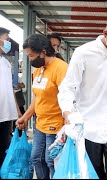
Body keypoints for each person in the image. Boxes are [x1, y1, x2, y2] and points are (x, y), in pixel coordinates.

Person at [57, 13, 107, 179]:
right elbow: (68, 86)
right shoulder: (83, 53)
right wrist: (67, 112)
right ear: (105, 32)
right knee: (92, 167)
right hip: (88, 120)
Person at [16, 34, 68, 179]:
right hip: (40, 124)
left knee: (51, 161)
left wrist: (67, 126)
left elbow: (68, 99)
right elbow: (36, 98)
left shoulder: (61, 68)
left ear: (43, 52)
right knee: (36, 159)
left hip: (56, 125)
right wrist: (25, 117)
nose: (29, 59)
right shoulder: (38, 70)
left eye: (31, 55)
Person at [0, 27, 22, 169]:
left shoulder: (6, 63)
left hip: (6, 116)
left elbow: (10, 90)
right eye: (6, 39)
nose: (8, 43)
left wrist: (18, 112)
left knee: (4, 151)